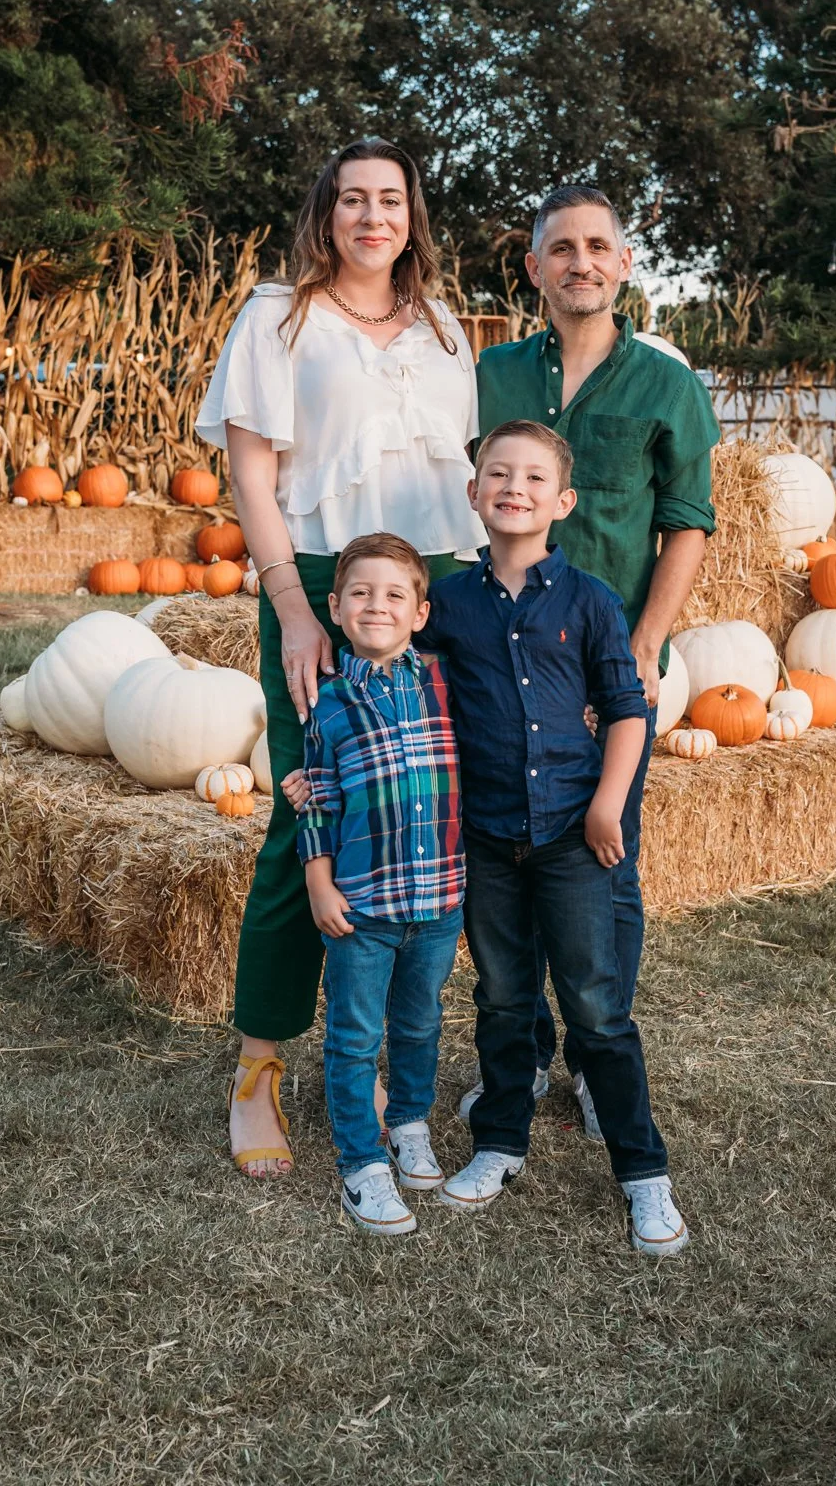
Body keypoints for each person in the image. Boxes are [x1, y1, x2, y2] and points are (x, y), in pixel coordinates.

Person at [195, 138, 481, 1178]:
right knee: (307, 813)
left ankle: (372, 1059)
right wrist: (294, 607)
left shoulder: (449, 331)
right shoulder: (280, 318)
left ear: (413, 215)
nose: (373, 216)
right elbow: (254, 478)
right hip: (322, 584)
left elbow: (473, 475)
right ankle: (260, 1062)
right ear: (326, 213)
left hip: (437, 589)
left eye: (391, 199)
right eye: (353, 198)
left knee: (423, 815)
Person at [468, 185, 719, 1137]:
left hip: (602, 668)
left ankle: (594, 1044)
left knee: (603, 859)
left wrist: (647, 643)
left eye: (597, 247)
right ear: (533, 270)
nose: (579, 261)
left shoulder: (665, 385)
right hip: (495, 656)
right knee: (506, 856)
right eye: (559, 248)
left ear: (622, 265)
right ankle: (523, 1050)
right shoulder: (487, 373)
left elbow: (687, 522)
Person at [424, 420, 688, 1256]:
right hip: (488, 840)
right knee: (502, 999)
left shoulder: (591, 602)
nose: (514, 488)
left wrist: (609, 803)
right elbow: (413, 694)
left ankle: (644, 1174)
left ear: (562, 501)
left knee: (597, 1006)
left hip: (577, 836)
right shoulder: (448, 605)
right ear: (473, 494)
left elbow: (626, 710)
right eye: (497, 474)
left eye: (534, 478)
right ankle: (499, 1144)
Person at [296, 532, 464, 1236]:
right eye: (360, 593)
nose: (377, 605)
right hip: (362, 905)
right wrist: (318, 881)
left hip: (441, 900)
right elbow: (319, 800)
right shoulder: (329, 707)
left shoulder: (450, 685)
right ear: (335, 607)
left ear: (419, 613)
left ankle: (408, 1123)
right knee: (355, 1035)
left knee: (420, 1021)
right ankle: (361, 1164)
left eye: (395, 594)